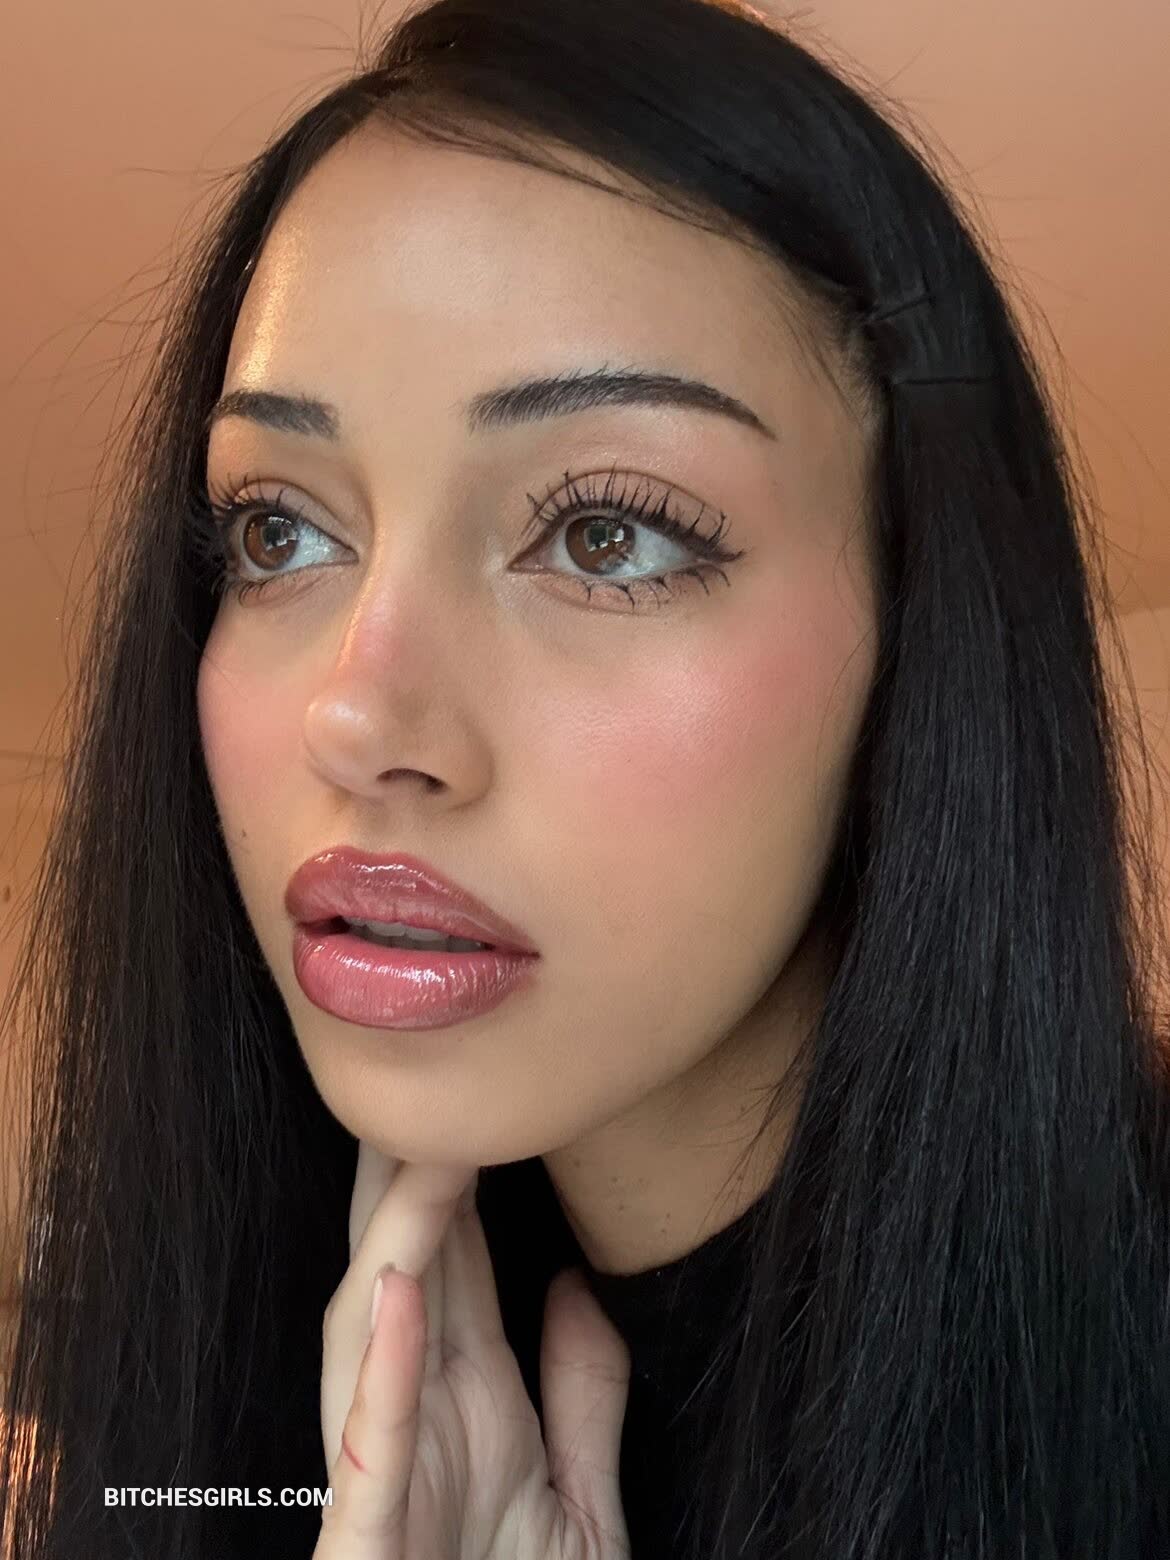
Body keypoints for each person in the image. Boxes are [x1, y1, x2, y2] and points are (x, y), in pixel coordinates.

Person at [2, 0, 1168, 1554]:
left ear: (922, 631)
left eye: (605, 535)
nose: (357, 715)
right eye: (278, 529)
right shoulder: (227, 1412)